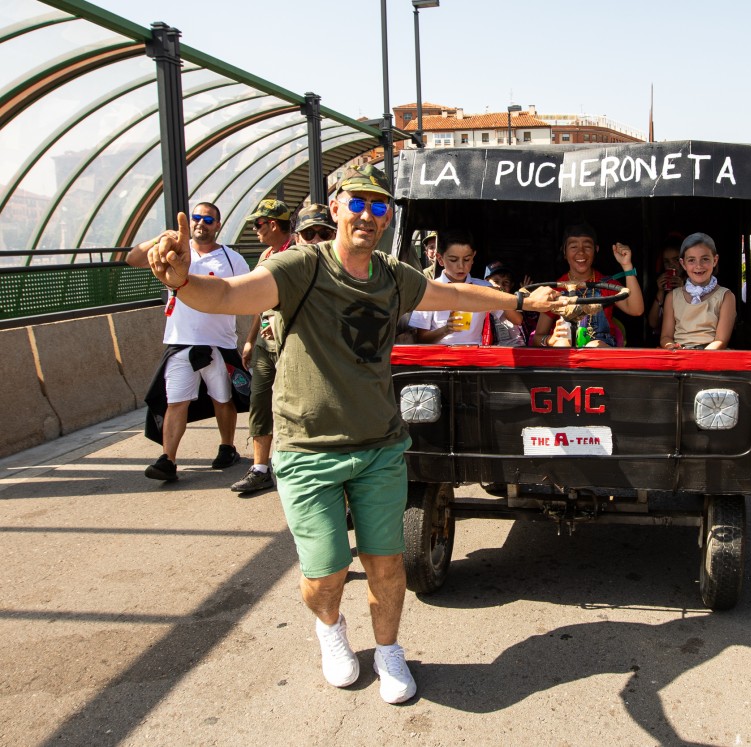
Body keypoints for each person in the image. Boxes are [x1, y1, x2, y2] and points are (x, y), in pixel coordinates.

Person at [142, 163, 562, 701]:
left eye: (379, 206)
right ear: (336, 208)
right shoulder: (301, 267)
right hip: (307, 450)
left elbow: (451, 295)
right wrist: (180, 280)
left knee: (387, 565)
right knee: (326, 573)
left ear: (388, 219)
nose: (367, 214)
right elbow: (227, 296)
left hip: (380, 446)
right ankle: (330, 630)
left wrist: (520, 302)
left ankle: (389, 651)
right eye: (356, 203)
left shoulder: (391, 275)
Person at [126, 203, 250, 482]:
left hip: (218, 341)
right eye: (197, 217)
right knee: (176, 401)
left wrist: (249, 338)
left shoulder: (231, 259)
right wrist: (159, 239)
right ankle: (168, 459)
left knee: (223, 398)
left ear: (218, 225)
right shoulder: (174, 251)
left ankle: (227, 447)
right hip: (181, 342)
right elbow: (132, 259)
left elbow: (248, 292)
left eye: (208, 219)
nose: (201, 223)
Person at [231, 203, 335, 494]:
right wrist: (251, 338)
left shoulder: (339, 265)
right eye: (309, 233)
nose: (315, 239)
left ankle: (329, 478)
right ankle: (261, 467)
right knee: (260, 399)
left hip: (305, 345)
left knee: (313, 406)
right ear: (299, 234)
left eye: (323, 232)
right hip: (269, 343)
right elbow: (257, 301)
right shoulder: (270, 257)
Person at [535, 224, 645, 347]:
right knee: (562, 344)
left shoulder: (607, 284)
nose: (581, 252)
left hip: (600, 349)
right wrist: (550, 340)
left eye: (587, 246)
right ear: (564, 252)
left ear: (596, 250)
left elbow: (636, 310)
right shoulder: (555, 289)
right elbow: (537, 337)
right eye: (574, 247)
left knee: (594, 346)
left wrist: (627, 266)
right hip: (565, 352)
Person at [409, 230, 493, 344]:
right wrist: (445, 329)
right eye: (453, 260)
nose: (461, 266)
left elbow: (516, 319)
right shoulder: (428, 290)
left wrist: (501, 294)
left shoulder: (484, 288)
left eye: (466, 259)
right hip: (440, 358)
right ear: (440, 259)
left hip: (474, 357)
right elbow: (421, 338)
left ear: (473, 257)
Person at [659, 232, 735, 350]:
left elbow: (721, 340)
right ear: (683, 264)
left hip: (711, 358)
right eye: (691, 260)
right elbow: (666, 337)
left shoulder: (726, 296)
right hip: (679, 357)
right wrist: (672, 347)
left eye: (705, 259)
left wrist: (698, 358)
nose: (698, 266)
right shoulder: (672, 297)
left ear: (715, 260)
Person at [646, 236, 685, 340]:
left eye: (676, 260)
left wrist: (683, 290)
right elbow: (652, 323)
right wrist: (660, 291)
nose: (671, 265)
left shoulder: (694, 283)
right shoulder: (659, 284)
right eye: (667, 262)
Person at [483, 260, 527, 347]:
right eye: (496, 281)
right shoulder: (482, 305)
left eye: (505, 282)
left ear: (511, 285)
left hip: (519, 348)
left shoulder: (513, 302)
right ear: (486, 282)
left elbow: (518, 320)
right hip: (493, 351)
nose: (500, 286)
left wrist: (502, 298)